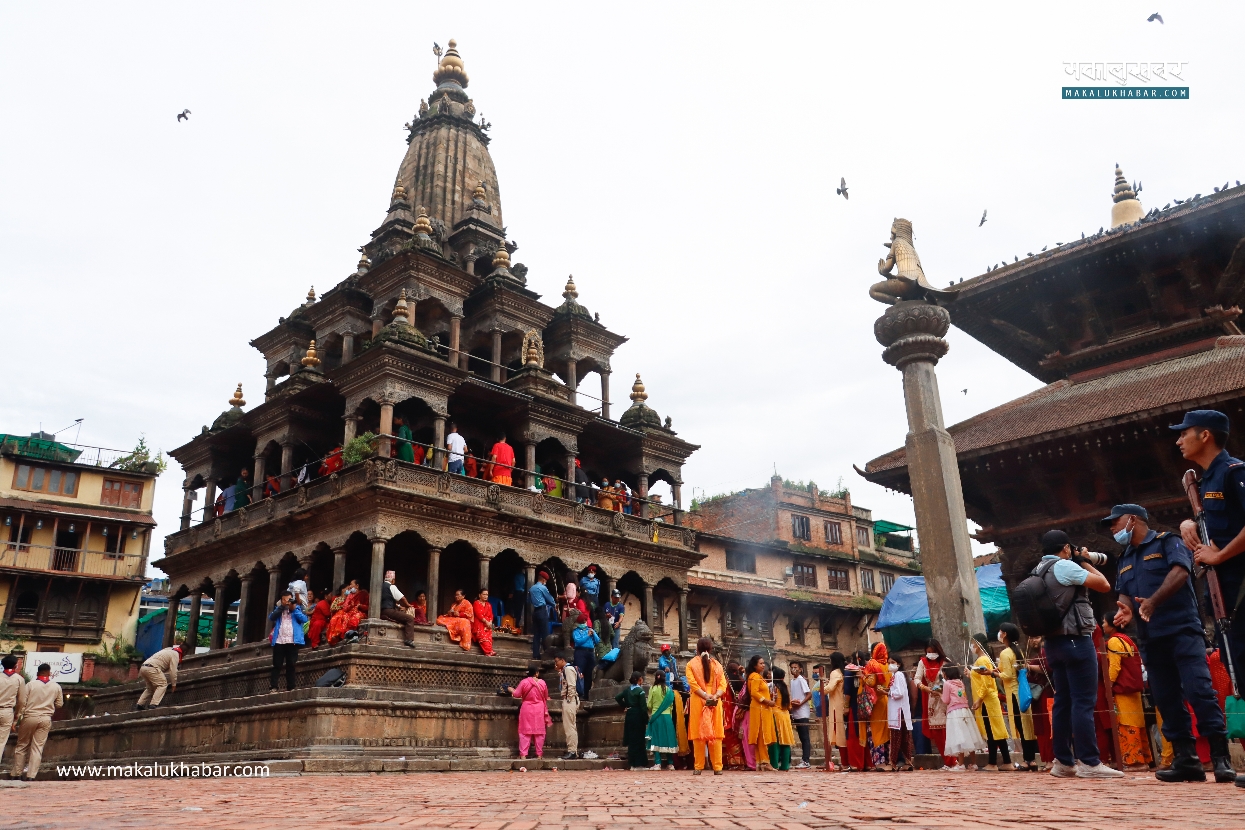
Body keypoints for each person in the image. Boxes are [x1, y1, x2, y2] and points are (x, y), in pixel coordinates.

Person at [1108, 503, 1232, 782]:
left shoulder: (1167, 541)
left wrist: (1153, 602)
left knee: (1199, 691)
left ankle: (1220, 757)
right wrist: (1125, 609)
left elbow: (1180, 572)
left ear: (1134, 519)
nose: (1113, 528)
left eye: (1115, 521)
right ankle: (1186, 759)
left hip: (1182, 630)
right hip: (1151, 637)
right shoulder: (1124, 557)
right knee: (1165, 697)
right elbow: (1125, 593)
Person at [1170, 410, 1245, 788]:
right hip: (1225, 596)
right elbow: (1211, 524)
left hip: (1241, 585)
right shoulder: (1203, 481)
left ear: (1206, 435)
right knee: (1241, 672)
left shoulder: (1233, 472)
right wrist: (1189, 522)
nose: (1179, 440)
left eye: (1184, 433)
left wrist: (1219, 555)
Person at [1033, 529, 1122, 779]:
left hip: (1053, 644)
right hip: (1075, 640)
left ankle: (1063, 761)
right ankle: (1090, 762)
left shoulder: (1038, 569)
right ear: (1065, 549)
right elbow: (1104, 585)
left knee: (1063, 701)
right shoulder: (1063, 567)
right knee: (1083, 701)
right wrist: (1082, 561)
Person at [1099, 616, 1152, 771]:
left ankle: (1134, 761)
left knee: (1126, 723)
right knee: (1138, 723)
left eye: (1104, 621)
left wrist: (1108, 685)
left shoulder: (1114, 641)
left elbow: (1114, 666)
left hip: (1122, 688)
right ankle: (1144, 759)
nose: (1102, 624)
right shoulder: (1127, 639)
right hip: (1133, 688)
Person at [997, 622, 1039, 770]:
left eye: (1001, 631)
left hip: (1014, 694)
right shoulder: (1018, 651)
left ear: (1005, 634)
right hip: (1021, 691)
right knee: (1026, 726)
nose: (999, 634)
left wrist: (992, 673)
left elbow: (1007, 675)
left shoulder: (1005, 653)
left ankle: (1027, 760)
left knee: (1022, 727)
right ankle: (1031, 759)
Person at [10, 663, 61, 781]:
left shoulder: (30, 685)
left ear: (38, 673)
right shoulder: (56, 686)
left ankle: (17, 773)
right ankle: (31, 775)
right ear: (49, 673)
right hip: (46, 718)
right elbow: (59, 704)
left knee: (22, 745)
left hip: (30, 716)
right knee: (37, 747)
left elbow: (22, 702)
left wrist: (17, 717)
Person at [969, 633, 1012, 771]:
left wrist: (979, 699)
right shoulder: (983, 660)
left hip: (987, 700)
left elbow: (986, 683)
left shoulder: (982, 660)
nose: (972, 646)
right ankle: (1005, 761)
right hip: (988, 699)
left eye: (973, 643)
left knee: (993, 731)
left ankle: (993, 763)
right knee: (995, 731)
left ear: (978, 644)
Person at [686, 637, 727, 775]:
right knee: (716, 735)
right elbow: (723, 685)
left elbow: (692, 684)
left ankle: (698, 767)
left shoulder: (691, 664)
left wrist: (704, 695)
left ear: (697, 649)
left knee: (698, 734)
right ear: (710, 649)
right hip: (715, 702)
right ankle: (718, 767)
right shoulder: (717, 665)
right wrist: (715, 696)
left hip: (699, 701)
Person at [941, 665, 985, 770]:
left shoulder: (947, 684)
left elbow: (946, 700)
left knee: (958, 737)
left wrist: (939, 694)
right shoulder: (960, 682)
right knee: (969, 736)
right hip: (965, 710)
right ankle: (974, 763)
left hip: (954, 711)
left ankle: (961, 764)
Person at [915, 639, 950, 764]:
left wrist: (941, 688)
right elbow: (917, 679)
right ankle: (947, 761)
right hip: (930, 699)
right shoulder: (922, 662)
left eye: (933, 651)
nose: (931, 654)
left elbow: (952, 678)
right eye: (928, 651)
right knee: (937, 732)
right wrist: (925, 688)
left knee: (948, 731)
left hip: (944, 699)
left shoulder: (946, 662)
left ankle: (954, 761)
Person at [507, 663, 551, 760]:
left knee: (525, 732)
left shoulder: (524, 682)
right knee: (539, 732)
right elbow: (546, 696)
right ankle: (539, 755)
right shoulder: (542, 683)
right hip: (539, 708)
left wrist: (511, 690)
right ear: (536, 673)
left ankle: (523, 755)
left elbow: (517, 694)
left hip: (527, 708)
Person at [269, 590, 307, 691]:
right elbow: (271, 617)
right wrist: (281, 607)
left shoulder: (298, 608)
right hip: (279, 640)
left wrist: (294, 609)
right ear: (281, 600)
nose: (287, 601)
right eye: (284, 600)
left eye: (289, 599)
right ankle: (273, 686)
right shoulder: (278, 609)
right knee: (277, 664)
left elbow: (304, 619)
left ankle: (291, 686)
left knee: (291, 664)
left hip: (292, 641)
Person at [862, 643, 892, 769]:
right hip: (886, 699)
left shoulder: (873, 665)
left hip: (876, 701)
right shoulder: (888, 666)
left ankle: (879, 761)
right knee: (886, 730)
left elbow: (871, 681)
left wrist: (862, 676)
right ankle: (887, 760)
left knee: (876, 731)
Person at [745, 655, 777, 771]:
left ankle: (760, 762)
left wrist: (770, 695)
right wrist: (767, 701)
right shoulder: (755, 676)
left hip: (761, 708)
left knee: (760, 736)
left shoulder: (757, 676)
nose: (763, 665)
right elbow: (754, 692)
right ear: (754, 665)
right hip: (760, 709)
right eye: (761, 663)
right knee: (762, 734)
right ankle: (764, 761)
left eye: (764, 663)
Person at [645, 669, 678, 769]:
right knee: (668, 739)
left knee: (656, 738)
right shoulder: (669, 690)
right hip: (668, 717)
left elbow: (649, 705)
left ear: (656, 677)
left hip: (656, 717)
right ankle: (670, 763)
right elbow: (671, 706)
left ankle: (658, 763)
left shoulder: (653, 689)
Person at [616, 670, 650, 769]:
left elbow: (618, 697)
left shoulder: (627, 690)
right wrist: (646, 719)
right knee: (639, 739)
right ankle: (639, 763)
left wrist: (625, 706)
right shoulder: (640, 691)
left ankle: (632, 763)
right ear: (640, 680)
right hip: (638, 716)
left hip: (629, 715)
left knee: (631, 740)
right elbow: (643, 707)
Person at [887, 656, 915, 771]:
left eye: (892, 662)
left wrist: (887, 692)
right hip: (900, 711)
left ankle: (892, 763)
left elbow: (899, 693)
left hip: (898, 712)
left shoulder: (898, 675)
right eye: (888, 662)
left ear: (898, 664)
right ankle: (908, 762)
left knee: (895, 738)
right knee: (904, 738)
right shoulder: (898, 675)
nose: (890, 665)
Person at [822, 653, 848, 768]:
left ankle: (845, 762)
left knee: (839, 735)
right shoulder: (843, 672)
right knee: (842, 734)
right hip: (842, 704)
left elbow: (830, 688)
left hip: (836, 707)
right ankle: (845, 762)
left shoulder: (835, 672)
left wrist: (821, 688)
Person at [136, 644, 182, 709]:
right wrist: (174, 684)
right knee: (162, 684)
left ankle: (140, 704)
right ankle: (153, 704)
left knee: (150, 688)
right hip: (152, 668)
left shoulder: (167, 650)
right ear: (184, 652)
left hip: (143, 667)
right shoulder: (175, 655)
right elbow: (173, 671)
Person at [379, 570, 417, 647]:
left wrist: (399, 607)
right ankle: (409, 639)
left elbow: (388, 599)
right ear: (392, 580)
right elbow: (402, 598)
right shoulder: (391, 586)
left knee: (401, 614)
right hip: (388, 610)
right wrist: (408, 605)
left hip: (382, 610)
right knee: (409, 618)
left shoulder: (382, 586)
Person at [554, 652, 581, 760]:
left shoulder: (568, 669)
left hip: (570, 700)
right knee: (570, 726)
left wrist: (569, 699)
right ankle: (573, 750)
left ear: (562, 660)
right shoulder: (565, 670)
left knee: (569, 726)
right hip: (570, 700)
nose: (556, 664)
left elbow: (571, 685)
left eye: (557, 661)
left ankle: (572, 751)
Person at [0, 654, 26, 763]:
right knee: (1, 742)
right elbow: (21, 701)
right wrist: (16, 718)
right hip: (7, 711)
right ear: (15, 666)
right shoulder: (19, 679)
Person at [787, 661, 812, 769]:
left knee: (805, 737)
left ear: (800, 669)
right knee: (801, 737)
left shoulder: (801, 680)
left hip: (802, 712)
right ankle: (804, 759)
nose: (793, 669)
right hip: (795, 712)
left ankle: (806, 760)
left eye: (795, 667)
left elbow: (809, 694)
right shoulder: (792, 681)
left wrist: (801, 703)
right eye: (792, 667)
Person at [326, 581, 367, 645]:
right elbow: (345, 607)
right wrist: (350, 606)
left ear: (357, 586)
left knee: (353, 619)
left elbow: (368, 606)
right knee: (340, 617)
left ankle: (352, 636)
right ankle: (338, 636)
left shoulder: (363, 594)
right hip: (349, 612)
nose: (350, 587)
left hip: (360, 612)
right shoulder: (350, 595)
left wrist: (360, 606)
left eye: (351, 584)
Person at [570, 612, 600, 698]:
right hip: (580, 652)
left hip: (590, 652)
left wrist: (593, 633)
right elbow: (578, 641)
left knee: (589, 673)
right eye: (582, 622)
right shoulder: (576, 631)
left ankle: (586, 694)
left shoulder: (589, 629)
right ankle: (579, 693)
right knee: (579, 672)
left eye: (585, 621)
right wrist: (587, 636)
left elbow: (597, 641)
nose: (584, 623)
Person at [770, 667, 795, 771]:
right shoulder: (784, 686)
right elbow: (789, 706)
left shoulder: (772, 686)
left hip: (775, 714)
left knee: (774, 740)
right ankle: (785, 765)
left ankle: (774, 764)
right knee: (785, 741)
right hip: (785, 715)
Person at [529, 570, 556, 659]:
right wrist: (554, 604)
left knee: (536, 634)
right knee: (545, 633)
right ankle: (547, 653)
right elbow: (549, 598)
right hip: (542, 610)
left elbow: (528, 600)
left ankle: (536, 654)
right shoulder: (543, 588)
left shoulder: (532, 588)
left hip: (535, 612)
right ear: (544, 580)